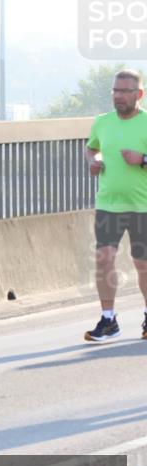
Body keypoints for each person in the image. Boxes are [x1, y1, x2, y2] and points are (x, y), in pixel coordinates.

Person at [83, 69, 147, 342]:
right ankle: (108, 320)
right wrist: (92, 162)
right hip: (109, 203)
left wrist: (143, 159)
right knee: (103, 258)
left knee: (142, 263)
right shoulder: (102, 122)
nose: (118, 96)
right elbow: (91, 147)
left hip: (142, 206)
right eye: (115, 91)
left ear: (139, 94)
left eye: (124, 91)